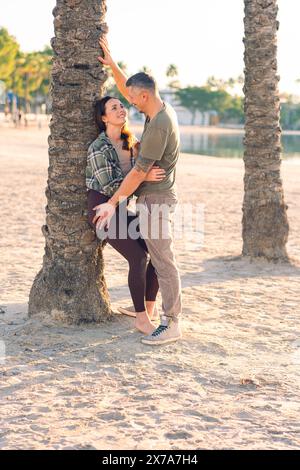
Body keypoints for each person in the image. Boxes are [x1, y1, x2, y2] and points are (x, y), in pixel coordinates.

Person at [93, 37, 182, 345]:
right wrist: (113, 64)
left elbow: (139, 172)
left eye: (131, 99)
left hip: (155, 199)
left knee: (162, 260)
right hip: (152, 197)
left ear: (144, 96)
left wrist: (114, 201)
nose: (128, 103)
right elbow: (127, 88)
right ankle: (149, 310)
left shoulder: (157, 126)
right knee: (157, 257)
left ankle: (171, 323)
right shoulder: (157, 110)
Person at [87, 96, 166, 334]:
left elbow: (138, 175)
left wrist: (143, 175)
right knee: (138, 258)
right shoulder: (97, 147)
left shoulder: (132, 143)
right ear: (104, 118)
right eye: (114, 107)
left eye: (121, 105)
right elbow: (111, 187)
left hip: (121, 208)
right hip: (103, 210)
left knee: (157, 250)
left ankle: (147, 309)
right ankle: (141, 320)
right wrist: (142, 176)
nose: (121, 109)